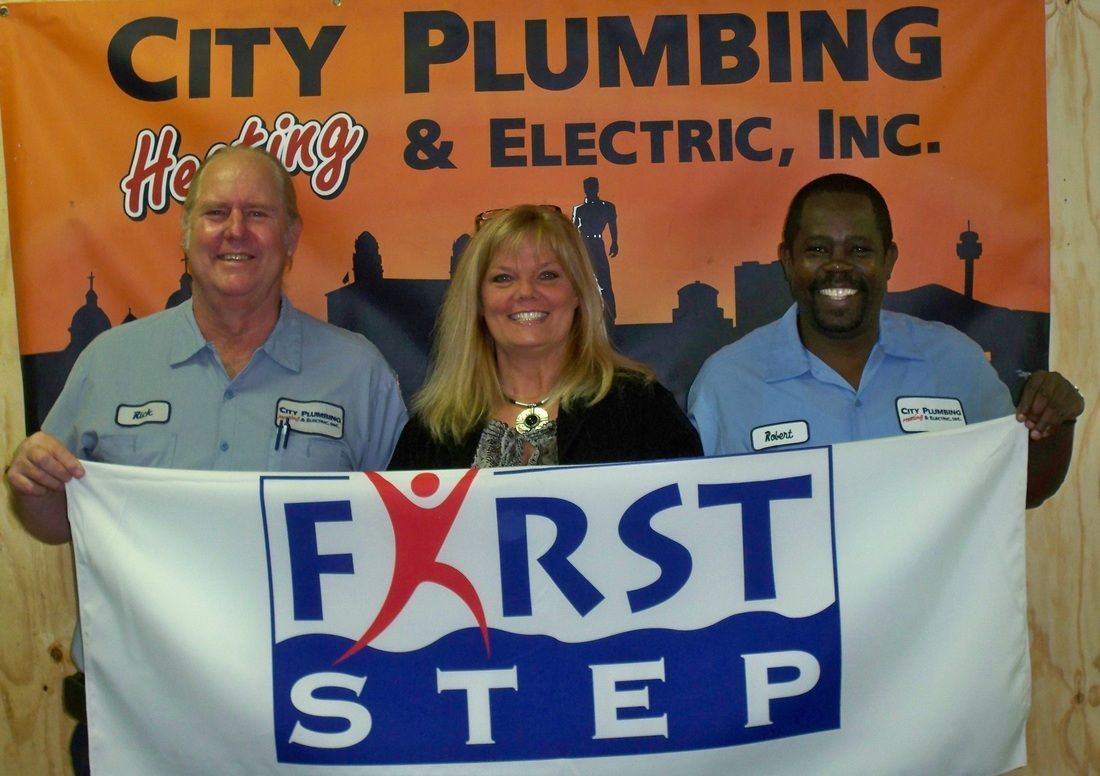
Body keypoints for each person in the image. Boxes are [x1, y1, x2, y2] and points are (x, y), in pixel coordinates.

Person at [5, 145, 407, 773]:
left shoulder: (358, 373)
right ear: (187, 233)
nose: (236, 232)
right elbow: (56, 523)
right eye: (216, 212)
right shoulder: (109, 363)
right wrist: (33, 485)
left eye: (259, 214)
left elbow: (404, 536)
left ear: (292, 235)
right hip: (137, 718)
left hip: (309, 718)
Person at [687, 173, 1083, 508]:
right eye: (818, 249)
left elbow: (1021, 487)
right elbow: (698, 518)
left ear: (889, 260)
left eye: (859, 249)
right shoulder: (727, 383)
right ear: (788, 261)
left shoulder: (954, 362)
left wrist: (1057, 417)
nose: (838, 265)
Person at [388, 204, 700, 469]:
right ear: (479, 302)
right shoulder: (432, 430)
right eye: (503, 278)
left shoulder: (641, 410)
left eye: (547, 275)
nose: (525, 292)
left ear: (578, 293)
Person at [571, 177, 620, 322]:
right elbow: (573, 229)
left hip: (597, 243)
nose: (590, 189)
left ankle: (610, 315)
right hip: (583, 244)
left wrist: (614, 242)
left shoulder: (606, 206)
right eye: (588, 187)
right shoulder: (579, 209)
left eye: (593, 186)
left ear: (597, 187)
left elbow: (612, 224)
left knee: (604, 279)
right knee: (583, 278)